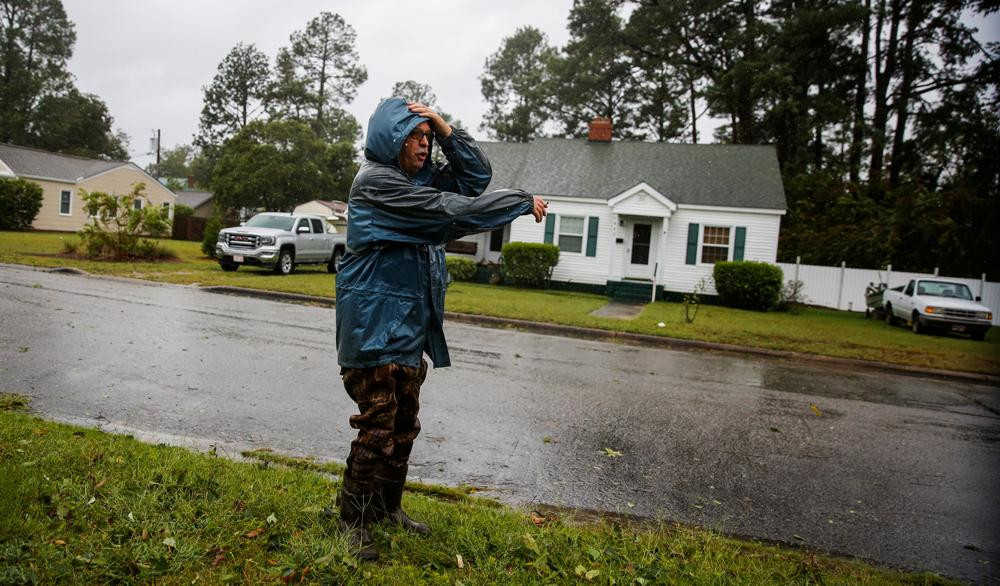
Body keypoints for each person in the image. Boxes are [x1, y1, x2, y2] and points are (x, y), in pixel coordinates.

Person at [334, 97, 547, 560]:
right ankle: (351, 520)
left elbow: (474, 180)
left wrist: (445, 127)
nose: (424, 143)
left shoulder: (416, 178)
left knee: (405, 426)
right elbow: (453, 212)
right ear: (389, 141)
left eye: (427, 136)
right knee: (377, 427)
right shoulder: (378, 185)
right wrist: (519, 201)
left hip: (408, 328)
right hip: (373, 329)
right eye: (414, 135)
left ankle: (386, 508)